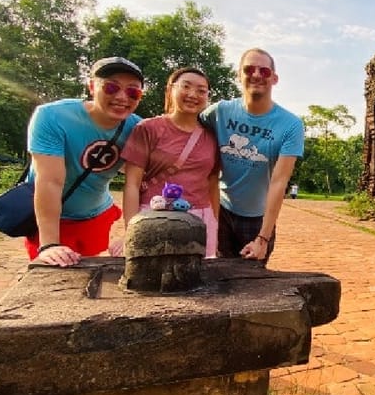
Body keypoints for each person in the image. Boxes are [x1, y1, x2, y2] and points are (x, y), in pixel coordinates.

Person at [26, 56, 144, 266]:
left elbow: (140, 182)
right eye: (111, 87)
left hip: (95, 215)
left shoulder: (138, 129)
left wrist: (131, 235)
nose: (121, 97)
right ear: (91, 86)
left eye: (132, 91)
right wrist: (49, 244)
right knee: (54, 271)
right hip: (52, 217)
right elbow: (50, 181)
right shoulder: (52, 117)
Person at [199, 48, 304, 264]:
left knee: (251, 280)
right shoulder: (219, 112)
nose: (256, 75)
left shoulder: (290, 125)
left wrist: (263, 238)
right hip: (222, 209)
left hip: (258, 217)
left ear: (274, 79)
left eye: (264, 71)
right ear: (239, 75)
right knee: (215, 274)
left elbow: (279, 181)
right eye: (249, 69)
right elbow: (186, 126)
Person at [117, 67, 220, 257]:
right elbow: (132, 184)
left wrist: (214, 225)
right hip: (155, 216)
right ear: (170, 90)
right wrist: (131, 230)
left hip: (201, 219)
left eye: (201, 90)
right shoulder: (148, 128)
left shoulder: (213, 136)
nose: (192, 94)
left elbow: (213, 183)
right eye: (185, 86)